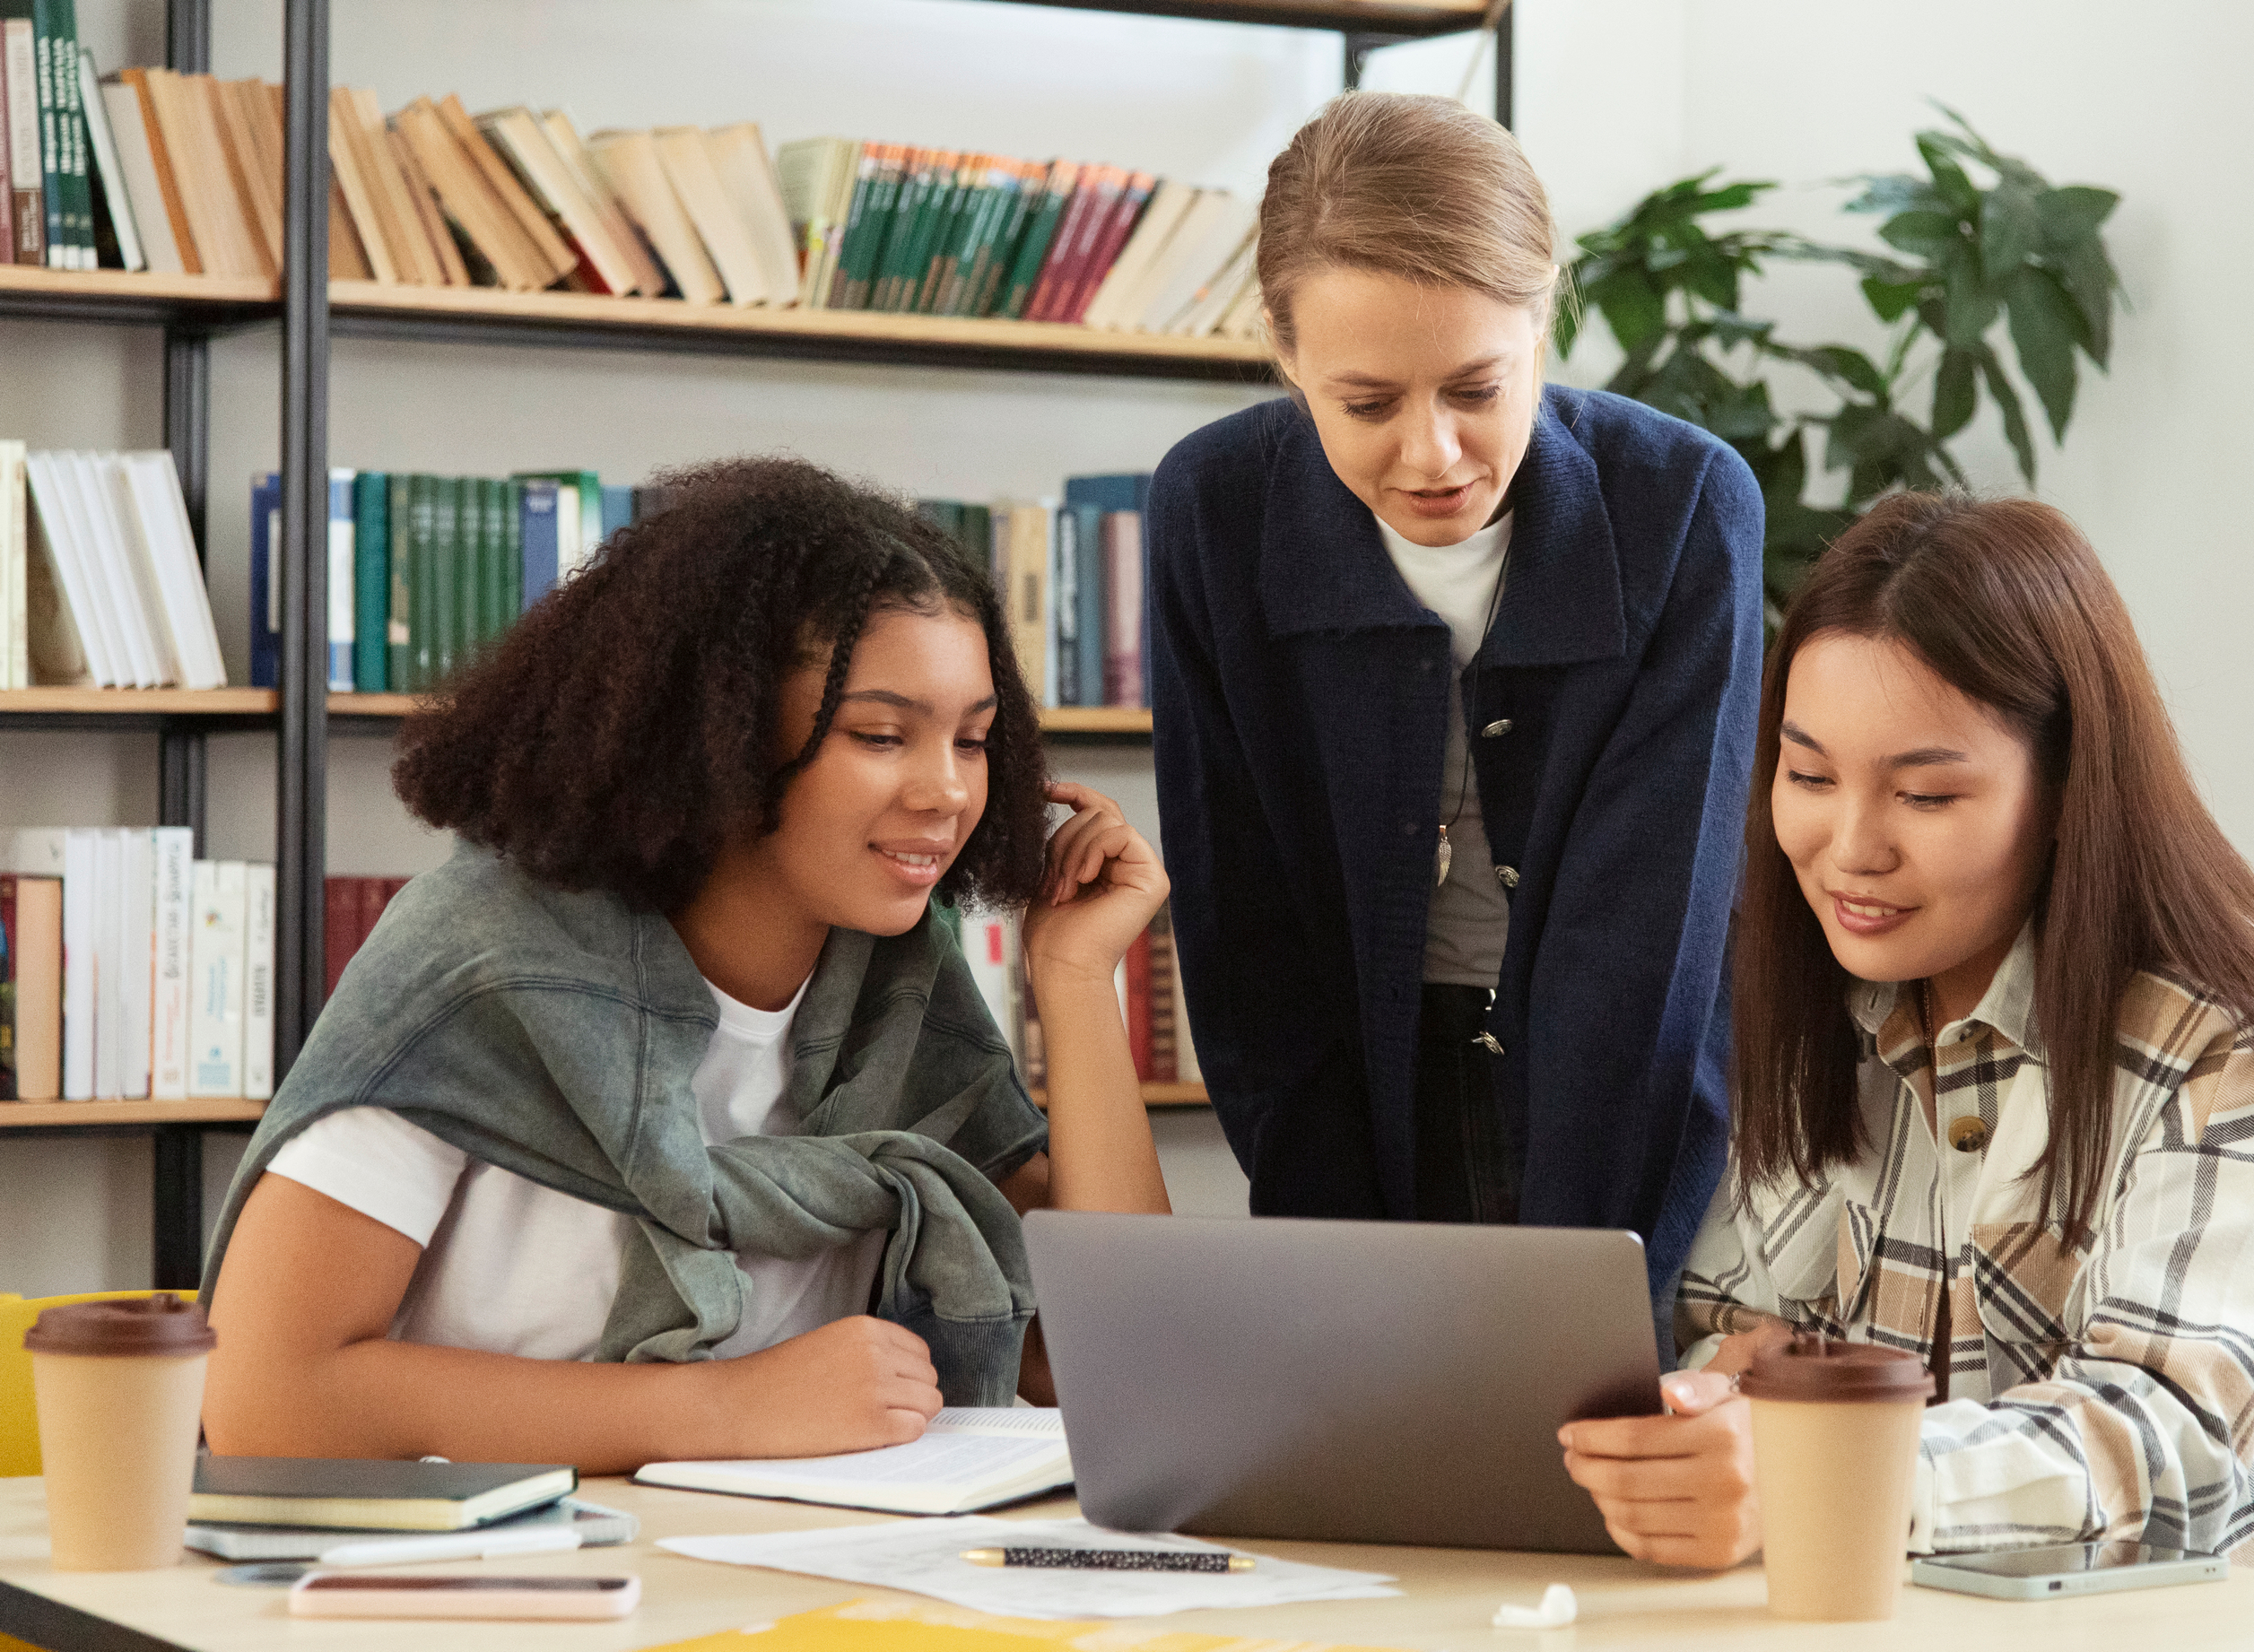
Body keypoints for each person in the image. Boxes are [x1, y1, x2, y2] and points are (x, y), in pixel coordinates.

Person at [1558, 493, 2254, 1599]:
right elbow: (1733, 1334)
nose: (1849, 850)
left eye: (1926, 794)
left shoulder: (2227, 1037)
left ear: (2071, 787)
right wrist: (1714, 1410)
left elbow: (2161, 1443)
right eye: (1808, 776)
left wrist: (1820, 1467)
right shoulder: (1814, 1004)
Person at [200, 456, 1170, 1473]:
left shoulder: (898, 985)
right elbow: (266, 1395)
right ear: (724, 733)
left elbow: (1124, 1363)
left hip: (785, 1586)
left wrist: (1073, 980)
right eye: (882, 734)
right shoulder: (482, 964)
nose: (947, 792)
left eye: (973, 742)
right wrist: (718, 1410)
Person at [1148, 91, 1762, 1304]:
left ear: (1543, 324)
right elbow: (1242, 923)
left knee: (1588, 1443)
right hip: (1347, 1087)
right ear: (1286, 355)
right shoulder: (1211, 510)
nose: (1430, 455)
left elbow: (1648, 934)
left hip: (1614, 1095)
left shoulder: (1684, 506)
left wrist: (1583, 1287)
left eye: (1477, 389)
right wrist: (1329, 1258)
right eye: (1366, 403)